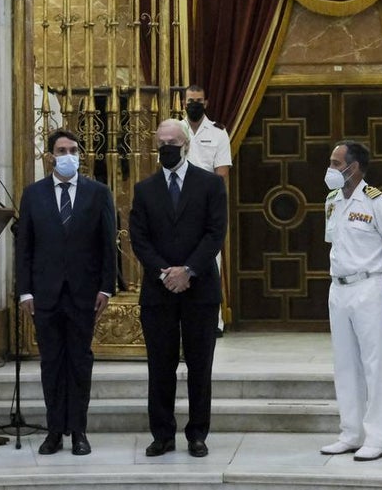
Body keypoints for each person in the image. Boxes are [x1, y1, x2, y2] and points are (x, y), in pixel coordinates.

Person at [15, 129, 117, 456]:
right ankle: (54, 431)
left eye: (73, 149)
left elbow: (107, 244)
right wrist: (24, 292)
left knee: (79, 362)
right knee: (51, 364)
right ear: (50, 156)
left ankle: (79, 431)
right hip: (45, 294)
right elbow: (24, 248)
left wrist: (106, 287)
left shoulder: (98, 193)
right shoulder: (33, 195)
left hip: (84, 293)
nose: (68, 155)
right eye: (62, 150)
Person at [129, 119, 228, 458]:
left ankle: (197, 433)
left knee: (200, 366)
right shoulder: (145, 189)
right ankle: (162, 434)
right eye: (161, 143)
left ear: (185, 144)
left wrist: (188, 271)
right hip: (159, 293)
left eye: (172, 141)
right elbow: (139, 238)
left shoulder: (210, 185)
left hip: (200, 290)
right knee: (160, 366)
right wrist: (165, 273)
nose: (166, 148)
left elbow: (215, 233)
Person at [319, 141, 382, 462]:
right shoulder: (331, 199)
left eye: (335, 162)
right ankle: (350, 432)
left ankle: (376, 437)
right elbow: (336, 241)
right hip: (339, 288)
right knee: (344, 364)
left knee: (373, 364)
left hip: (369, 285)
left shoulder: (375, 200)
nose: (330, 168)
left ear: (353, 167)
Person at [183, 84, 232, 336]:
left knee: (212, 259)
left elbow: (221, 174)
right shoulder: (174, 129)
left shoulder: (218, 133)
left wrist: (216, 207)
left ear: (206, 102)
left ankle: (215, 321)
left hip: (206, 203)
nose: (194, 103)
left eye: (199, 100)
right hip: (179, 204)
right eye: (190, 99)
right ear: (183, 102)